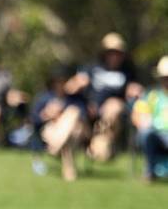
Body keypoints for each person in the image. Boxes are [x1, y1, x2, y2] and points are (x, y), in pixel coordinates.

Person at [65, 32, 143, 161]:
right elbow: (69, 88)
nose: (114, 56)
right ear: (104, 53)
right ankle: (87, 145)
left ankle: (104, 143)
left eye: (118, 53)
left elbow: (135, 90)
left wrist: (135, 91)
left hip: (112, 121)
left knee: (114, 106)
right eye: (111, 52)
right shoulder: (92, 67)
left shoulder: (127, 71)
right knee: (73, 113)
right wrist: (76, 83)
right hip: (90, 113)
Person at [32, 66, 89, 181]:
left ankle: (56, 147)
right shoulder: (44, 98)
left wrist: (60, 114)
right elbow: (34, 119)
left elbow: (83, 117)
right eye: (57, 81)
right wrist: (47, 115)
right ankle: (69, 171)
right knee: (68, 135)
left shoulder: (76, 98)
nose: (60, 84)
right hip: (50, 132)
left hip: (73, 133)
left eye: (63, 81)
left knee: (72, 113)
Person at [132, 56, 168, 181]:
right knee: (146, 133)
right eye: (165, 78)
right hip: (155, 134)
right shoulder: (152, 95)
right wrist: (142, 123)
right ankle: (150, 172)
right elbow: (137, 113)